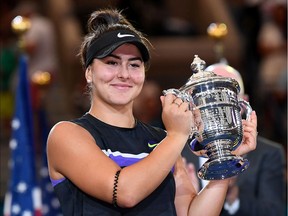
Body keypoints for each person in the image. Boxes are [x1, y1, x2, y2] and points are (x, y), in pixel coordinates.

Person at [46, 9, 257, 215]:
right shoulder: (67, 135)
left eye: (134, 65)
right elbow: (125, 192)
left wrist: (225, 160)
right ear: (89, 73)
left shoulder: (162, 140)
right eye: (112, 63)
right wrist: (177, 135)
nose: (124, 74)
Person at [182, 63, 286, 216]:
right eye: (210, 97)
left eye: (227, 96)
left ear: (243, 103)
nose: (217, 107)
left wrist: (233, 197)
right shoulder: (180, 153)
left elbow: (274, 212)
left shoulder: (269, 153)